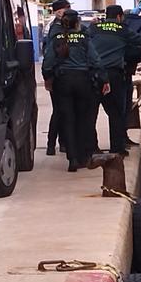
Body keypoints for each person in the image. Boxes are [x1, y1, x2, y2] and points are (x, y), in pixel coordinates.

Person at [42, 10, 109, 172]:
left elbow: (48, 62)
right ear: (77, 23)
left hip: (63, 82)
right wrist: (104, 79)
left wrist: (48, 78)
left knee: (67, 120)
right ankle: (82, 157)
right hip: (82, 81)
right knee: (82, 119)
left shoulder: (57, 38)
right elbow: (95, 60)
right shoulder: (84, 38)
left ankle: (72, 159)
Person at [90, 5, 141, 156]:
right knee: (116, 113)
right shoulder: (122, 29)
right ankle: (117, 149)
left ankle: (92, 148)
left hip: (93, 75)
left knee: (91, 113)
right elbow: (140, 39)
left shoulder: (94, 28)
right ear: (119, 16)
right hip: (113, 75)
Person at [44, 0, 75, 156]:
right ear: (58, 11)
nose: (68, 10)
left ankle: (63, 143)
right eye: (66, 8)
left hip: (60, 74)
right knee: (59, 111)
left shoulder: (60, 27)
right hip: (57, 76)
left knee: (62, 111)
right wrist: (48, 77)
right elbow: (50, 55)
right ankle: (52, 144)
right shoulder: (56, 29)